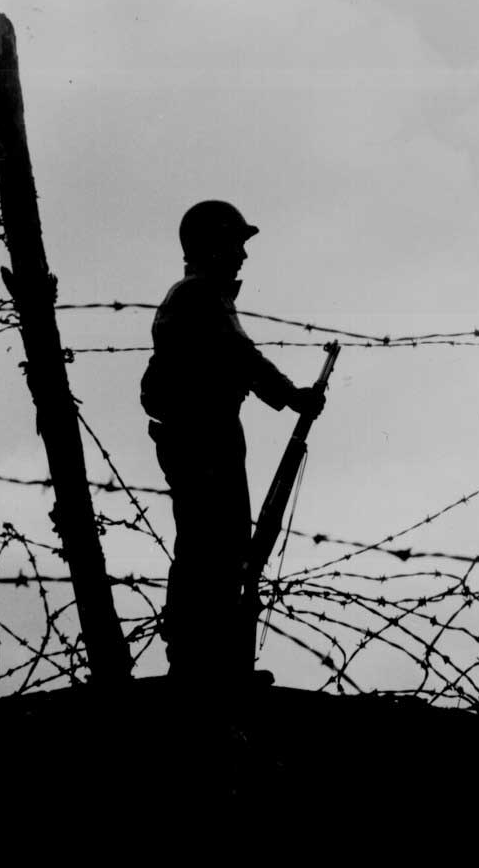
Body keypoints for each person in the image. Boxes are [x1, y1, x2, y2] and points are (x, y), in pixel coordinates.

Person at [141, 199, 322, 690]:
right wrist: (291, 396)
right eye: (236, 243)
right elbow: (238, 354)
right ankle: (207, 664)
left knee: (217, 547)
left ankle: (209, 661)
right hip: (204, 437)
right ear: (213, 246)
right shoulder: (201, 296)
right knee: (213, 548)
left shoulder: (200, 296)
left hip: (207, 433)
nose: (243, 255)